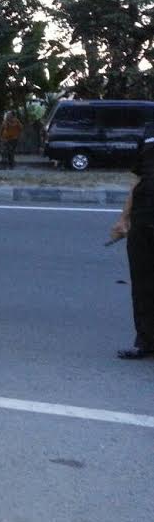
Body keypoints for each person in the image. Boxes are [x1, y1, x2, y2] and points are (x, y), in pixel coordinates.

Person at [111, 125, 154, 359]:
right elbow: (139, 179)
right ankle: (145, 341)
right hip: (143, 218)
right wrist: (123, 218)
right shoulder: (149, 131)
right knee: (142, 284)